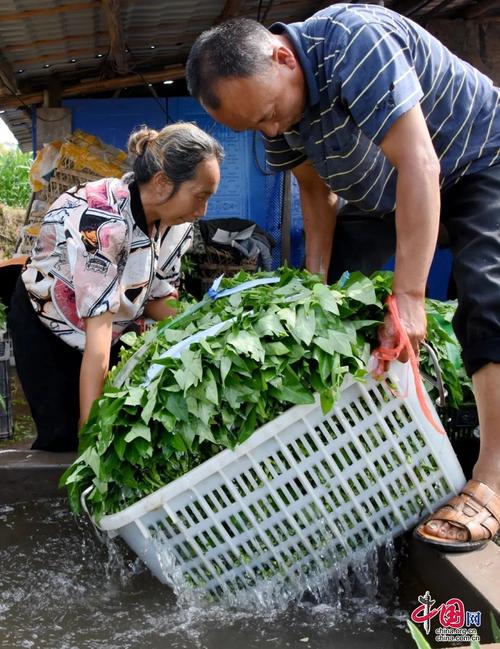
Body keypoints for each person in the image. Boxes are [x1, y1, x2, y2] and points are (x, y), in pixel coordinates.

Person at [186, 5, 500, 552]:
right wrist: (315, 289)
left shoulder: (355, 42)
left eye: (267, 114)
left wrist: (409, 295)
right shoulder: (278, 108)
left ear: (283, 57)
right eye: (256, 126)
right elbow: (315, 192)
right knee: (329, 317)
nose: (272, 129)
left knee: (486, 294)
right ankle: (351, 451)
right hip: (380, 195)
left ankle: (492, 476)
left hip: (475, 161)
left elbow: (419, 165)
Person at [8, 122, 223, 452]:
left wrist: (205, 322)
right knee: (66, 435)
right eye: (200, 196)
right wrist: (91, 430)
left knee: (129, 425)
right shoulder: (101, 219)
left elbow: (159, 298)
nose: (203, 210)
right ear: (164, 183)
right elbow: (99, 334)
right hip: (50, 325)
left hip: (112, 328)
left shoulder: (178, 227)